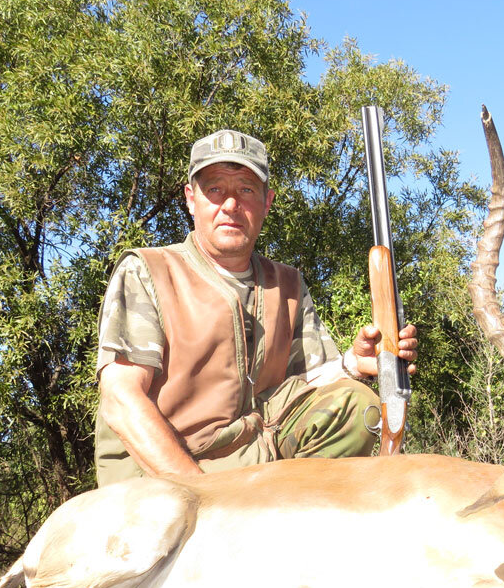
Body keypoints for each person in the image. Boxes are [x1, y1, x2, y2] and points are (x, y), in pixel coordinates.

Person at [93, 129, 418, 485]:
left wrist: (355, 363)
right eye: (215, 189)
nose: (230, 204)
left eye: (246, 190)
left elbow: (307, 383)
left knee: (357, 404)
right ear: (190, 198)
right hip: (165, 470)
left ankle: (291, 523)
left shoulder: (288, 284)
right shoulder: (147, 271)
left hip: (253, 459)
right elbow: (122, 398)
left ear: (267, 202)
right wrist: (199, 494)